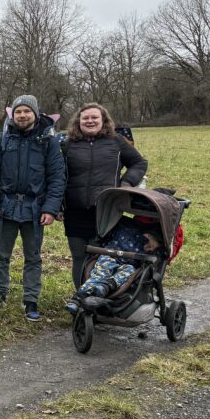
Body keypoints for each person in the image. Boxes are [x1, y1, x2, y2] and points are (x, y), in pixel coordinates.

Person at [0, 94, 66, 321]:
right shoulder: (1, 140)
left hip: (35, 208)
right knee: (1, 254)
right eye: (18, 111)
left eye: (27, 111)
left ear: (35, 114)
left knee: (33, 256)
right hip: (5, 206)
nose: (22, 115)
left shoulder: (48, 142)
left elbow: (57, 177)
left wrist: (50, 208)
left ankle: (31, 300)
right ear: (12, 114)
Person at [61, 103, 148, 288]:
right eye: (85, 118)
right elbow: (58, 175)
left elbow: (139, 163)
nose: (90, 121)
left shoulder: (116, 141)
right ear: (78, 121)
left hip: (106, 210)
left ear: (103, 121)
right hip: (74, 211)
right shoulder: (67, 144)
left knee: (100, 257)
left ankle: (99, 297)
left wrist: (126, 184)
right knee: (78, 257)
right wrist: (59, 204)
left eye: (94, 118)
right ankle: (81, 297)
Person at [66, 219, 162, 314]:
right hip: (109, 257)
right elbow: (106, 238)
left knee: (129, 270)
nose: (150, 249)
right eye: (151, 245)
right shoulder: (128, 233)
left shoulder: (149, 249)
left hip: (127, 265)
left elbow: (160, 255)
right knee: (100, 274)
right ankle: (77, 299)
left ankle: (104, 287)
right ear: (148, 236)